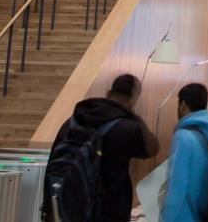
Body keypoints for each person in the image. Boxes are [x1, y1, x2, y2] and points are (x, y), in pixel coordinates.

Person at [50, 74, 159, 221]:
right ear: (133, 97)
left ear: (109, 93)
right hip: (109, 212)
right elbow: (152, 149)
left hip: (68, 208)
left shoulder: (72, 122)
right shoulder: (128, 128)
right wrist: (134, 116)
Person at [162, 83, 208, 221]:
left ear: (183, 105)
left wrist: (167, 218)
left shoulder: (183, 137)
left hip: (188, 216)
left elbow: (177, 186)